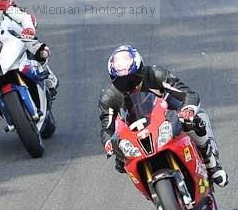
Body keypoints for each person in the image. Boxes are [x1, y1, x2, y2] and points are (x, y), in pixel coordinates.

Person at [98, 45, 228, 187]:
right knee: (120, 161)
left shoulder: (155, 74)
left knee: (196, 120)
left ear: (140, 70)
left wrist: (188, 109)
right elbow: (107, 127)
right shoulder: (109, 97)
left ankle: (211, 163)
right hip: (135, 126)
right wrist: (108, 142)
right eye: (122, 82)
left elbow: (187, 93)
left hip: (167, 111)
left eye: (132, 78)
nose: (129, 85)